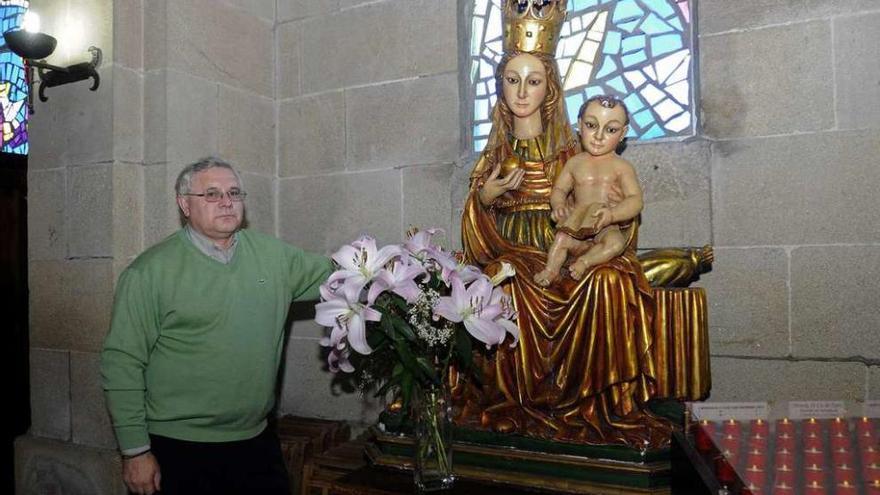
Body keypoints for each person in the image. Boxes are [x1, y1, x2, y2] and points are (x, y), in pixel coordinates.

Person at [458, 0, 673, 447]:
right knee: (507, 284)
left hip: (569, 241)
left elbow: (616, 207)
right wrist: (486, 197)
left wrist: (601, 218)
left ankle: (598, 403)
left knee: (610, 282)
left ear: (549, 89)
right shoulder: (494, 155)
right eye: (512, 81)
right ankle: (511, 403)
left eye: (533, 81)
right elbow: (473, 219)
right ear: (500, 87)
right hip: (510, 244)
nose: (522, 92)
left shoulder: (574, 152)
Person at [100, 157, 333, 495]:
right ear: (184, 204)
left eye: (234, 192)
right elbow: (121, 362)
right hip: (177, 448)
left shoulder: (275, 256)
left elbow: (343, 274)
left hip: (256, 442)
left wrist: (407, 268)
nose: (226, 201)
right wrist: (135, 450)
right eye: (211, 194)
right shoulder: (148, 273)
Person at [534, 96, 641, 286]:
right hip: (577, 221)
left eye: (610, 130)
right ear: (580, 124)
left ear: (623, 133)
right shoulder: (574, 163)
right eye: (592, 125)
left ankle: (585, 261)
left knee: (616, 244)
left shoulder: (622, 167)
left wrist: (612, 214)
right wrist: (558, 205)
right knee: (560, 240)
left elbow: (635, 200)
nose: (599, 136)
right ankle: (550, 270)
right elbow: (559, 189)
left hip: (605, 225)